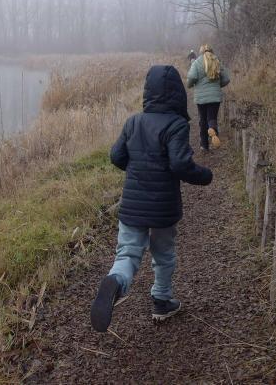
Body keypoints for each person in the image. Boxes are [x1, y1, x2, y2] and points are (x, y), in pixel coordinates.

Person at [90, 65, 213, 332]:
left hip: (132, 206)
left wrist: (139, 170)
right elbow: (180, 164)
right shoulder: (176, 125)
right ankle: (161, 301)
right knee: (164, 254)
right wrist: (205, 175)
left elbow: (116, 156)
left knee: (127, 253)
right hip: (163, 208)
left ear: (148, 92)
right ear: (178, 94)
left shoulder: (133, 122)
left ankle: (116, 281)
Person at [186, 44, 230, 151]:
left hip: (201, 97)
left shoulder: (197, 62)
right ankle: (213, 129)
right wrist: (217, 86)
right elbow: (226, 79)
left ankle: (204, 145)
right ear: (212, 50)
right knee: (212, 117)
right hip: (215, 97)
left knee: (203, 119)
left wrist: (190, 85)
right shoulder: (217, 60)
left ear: (201, 52)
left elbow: (192, 77)